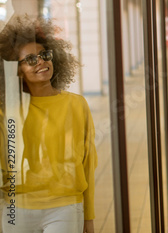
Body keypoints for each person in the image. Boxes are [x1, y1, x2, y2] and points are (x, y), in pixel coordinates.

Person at [0, 16, 97, 233]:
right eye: (31, 60)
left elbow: (87, 164)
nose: (42, 62)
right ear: (17, 70)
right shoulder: (7, 111)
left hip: (65, 206)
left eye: (45, 55)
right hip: (15, 207)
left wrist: (88, 219)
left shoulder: (76, 104)